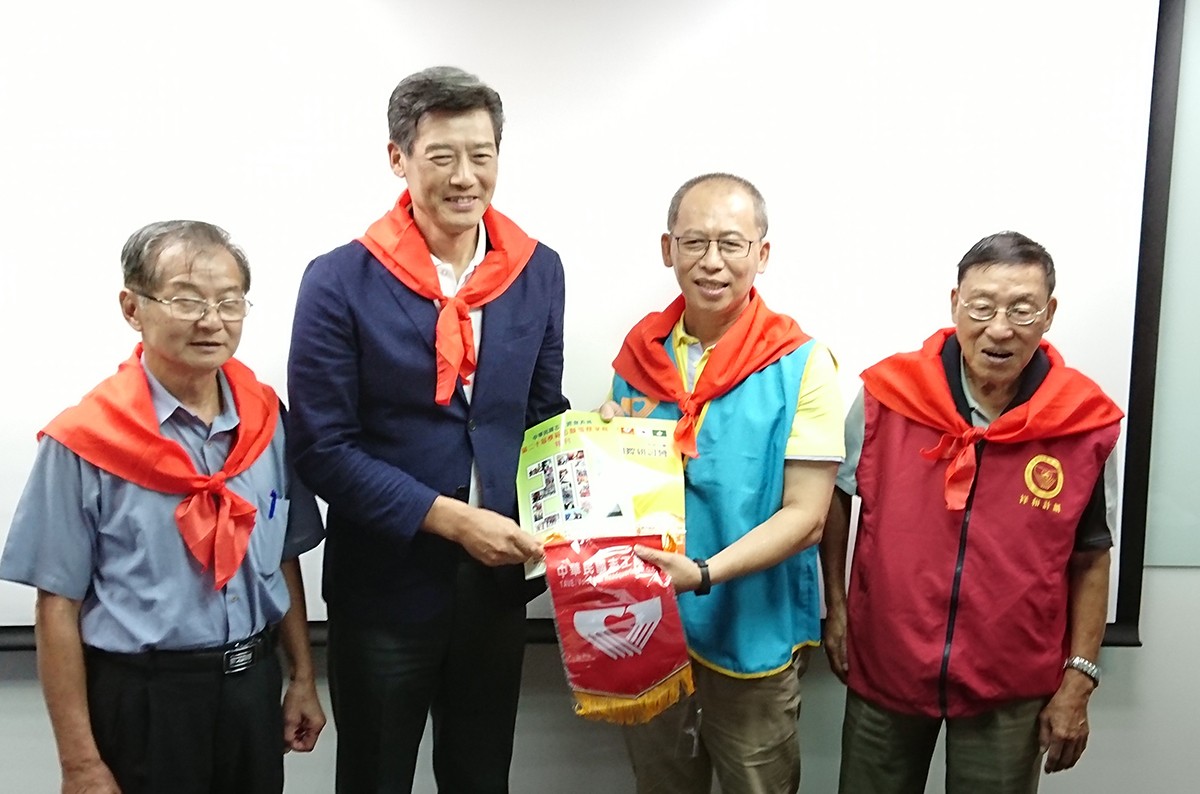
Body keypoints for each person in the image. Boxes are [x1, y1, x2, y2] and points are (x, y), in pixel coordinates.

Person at [287, 66, 569, 793]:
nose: (465, 177)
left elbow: (541, 413)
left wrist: (602, 462)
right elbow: (323, 447)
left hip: (498, 587)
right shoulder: (338, 281)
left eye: (482, 155)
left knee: (481, 778)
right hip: (385, 586)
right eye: (442, 156)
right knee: (375, 778)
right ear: (398, 158)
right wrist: (451, 520)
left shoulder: (537, 272)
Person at [0, 220, 326, 794]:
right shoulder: (84, 443)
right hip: (146, 700)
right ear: (133, 308)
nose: (211, 320)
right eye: (186, 300)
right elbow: (56, 608)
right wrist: (79, 763)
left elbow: (283, 557)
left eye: (229, 302)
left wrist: (302, 675)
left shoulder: (265, 420)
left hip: (252, 688)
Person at [820, 231, 1122, 793]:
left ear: (1049, 313)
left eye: (1022, 310)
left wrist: (1080, 678)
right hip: (888, 663)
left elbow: (1091, 557)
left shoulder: (1084, 422)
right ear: (955, 303)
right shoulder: (889, 395)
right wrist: (835, 609)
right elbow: (834, 498)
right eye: (982, 307)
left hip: (1011, 683)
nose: (999, 329)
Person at [601, 173, 844, 793]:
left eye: (732, 244)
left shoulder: (802, 364)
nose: (712, 261)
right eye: (694, 242)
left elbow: (808, 516)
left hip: (752, 629)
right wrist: (598, 452)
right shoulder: (641, 355)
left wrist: (704, 574)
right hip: (648, 628)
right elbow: (619, 493)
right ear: (668, 249)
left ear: (762, 253)